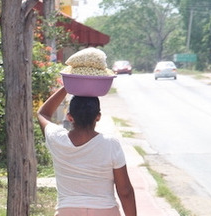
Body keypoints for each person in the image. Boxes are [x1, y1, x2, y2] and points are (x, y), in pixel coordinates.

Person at [37, 86, 137, 216]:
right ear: (98, 117)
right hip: (105, 211)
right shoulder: (110, 144)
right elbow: (125, 191)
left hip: (67, 211)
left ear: (69, 117)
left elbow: (43, 113)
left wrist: (67, 86)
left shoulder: (57, 139)